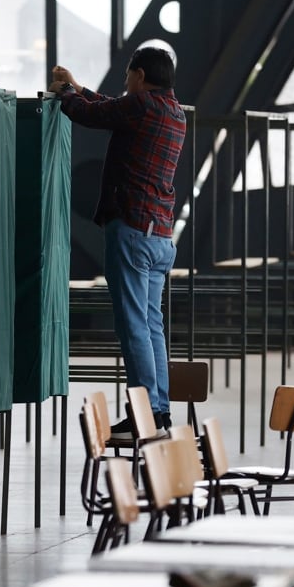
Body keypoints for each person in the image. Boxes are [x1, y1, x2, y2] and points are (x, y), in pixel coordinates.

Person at [48, 47, 186, 439]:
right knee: (152, 324)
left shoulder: (141, 107)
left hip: (131, 230)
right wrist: (77, 87)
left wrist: (66, 95)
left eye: (128, 76)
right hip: (159, 234)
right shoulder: (173, 113)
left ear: (140, 76)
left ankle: (144, 414)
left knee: (133, 327)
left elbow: (92, 114)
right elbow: (112, 107)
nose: (126, 84)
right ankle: (158, 413)